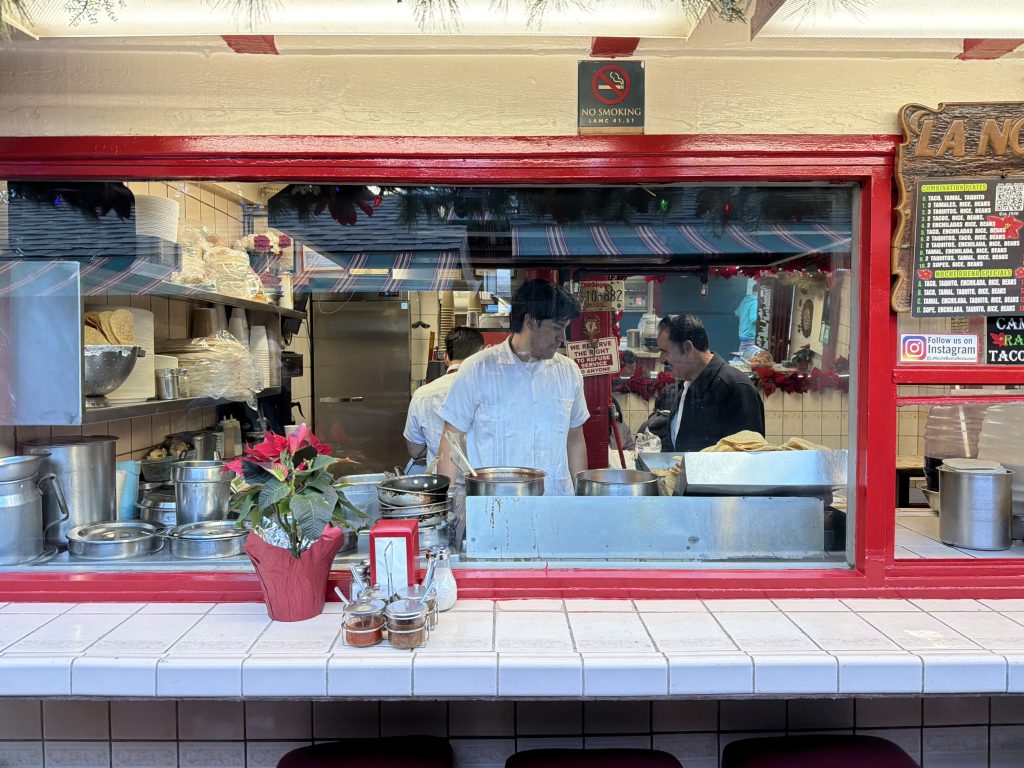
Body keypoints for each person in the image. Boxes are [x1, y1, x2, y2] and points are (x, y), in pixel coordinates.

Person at [437, 279, 589, 496]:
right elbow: (451, 438)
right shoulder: (476, 370)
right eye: (556, 327)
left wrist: (582, 499)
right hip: (495, 509)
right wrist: (446, 505)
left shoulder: (569, 371)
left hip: (556, 504)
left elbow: (574, 439)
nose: (561, 338)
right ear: (531, 321)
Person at [657, 313, 765, 453]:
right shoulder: (686, 383)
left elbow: (748, 458)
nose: (661, 360)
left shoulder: (736, 390)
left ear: (687, 348)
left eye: (666, 352)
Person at [403, 326, 485, 470]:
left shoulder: (422, 394)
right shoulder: (490, 391)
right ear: (482, 354)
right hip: (482, 485)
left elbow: (415, 451)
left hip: (440, 486)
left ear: (446, 358)